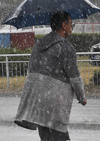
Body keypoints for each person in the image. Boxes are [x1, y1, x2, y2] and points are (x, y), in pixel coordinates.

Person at [14, 11, 87, 141]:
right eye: (71, 24)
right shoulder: (66, 48)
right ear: (64, 26)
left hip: (39, 105)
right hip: (55, 106)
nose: (72, 27)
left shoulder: (39, 45)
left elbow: (32, 72)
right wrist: (82, 97)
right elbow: (75, 77)